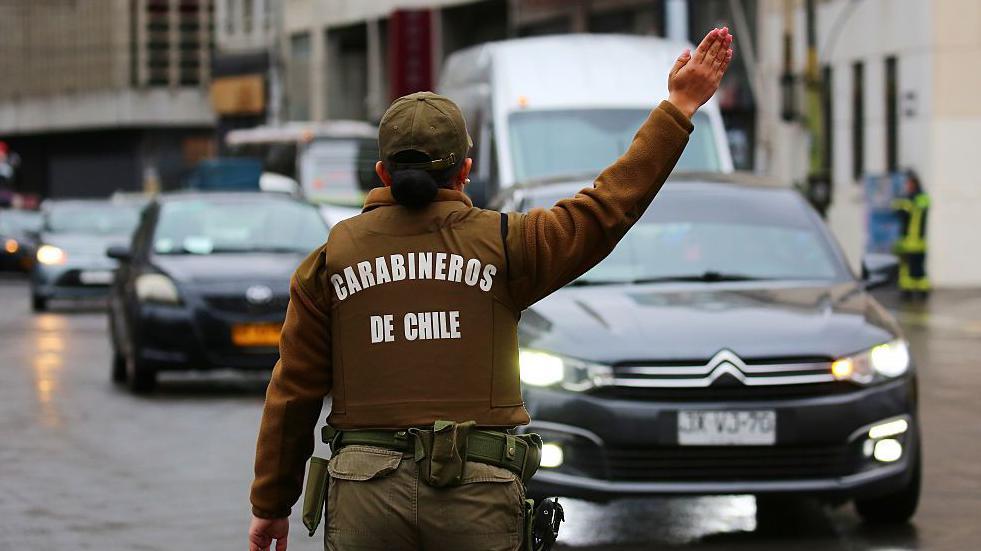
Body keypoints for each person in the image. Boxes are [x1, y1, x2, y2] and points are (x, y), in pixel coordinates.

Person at [248, 27, 734, 551]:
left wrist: (272, 506)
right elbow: (606, 210)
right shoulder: (506, 245)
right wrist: (679, 106)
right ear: (465, 171)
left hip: (366, 499)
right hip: (476, 496)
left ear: (383, 171)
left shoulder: (330, 262)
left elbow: (292, 391)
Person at [892, 169, 930, 298]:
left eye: (908, 183)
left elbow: (908, 210)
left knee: (917, 270)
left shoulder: (918, 199)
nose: (906, 186)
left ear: (914, 183)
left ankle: (920, 291)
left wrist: (902, 202)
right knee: (906, 270)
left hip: (915, 242)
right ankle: (907, 291)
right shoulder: (909, 199)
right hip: (908, 242)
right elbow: (897, 211)